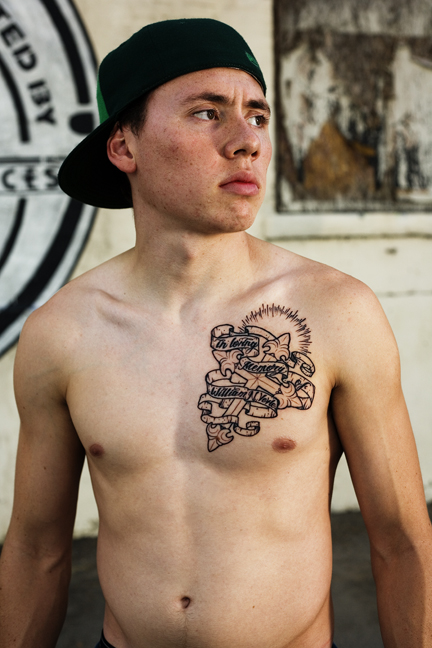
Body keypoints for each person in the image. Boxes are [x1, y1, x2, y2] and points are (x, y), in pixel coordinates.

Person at [0, 17, 431, 648]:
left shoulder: (338, 312)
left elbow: (401, 539)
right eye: (207, 113)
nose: (247, 141)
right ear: (124, 147)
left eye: (257, 116)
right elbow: (37, 548)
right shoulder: (62, 333)